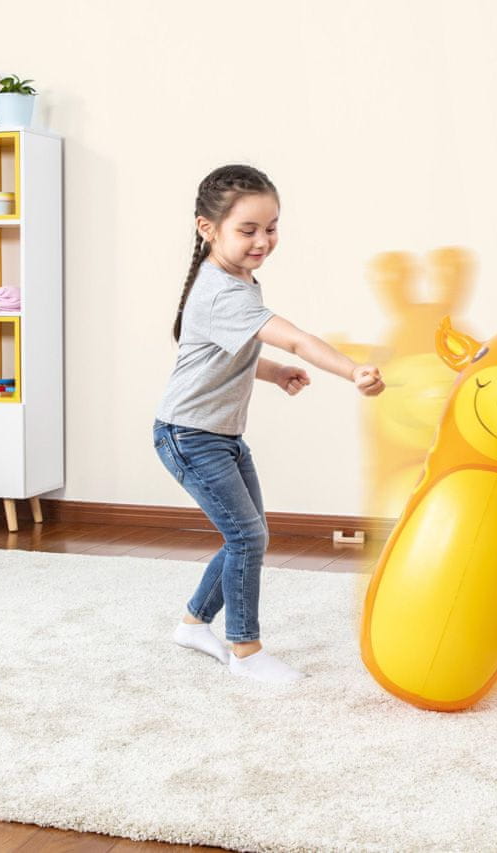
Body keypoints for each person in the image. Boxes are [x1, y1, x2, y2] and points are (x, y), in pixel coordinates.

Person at [153, 164, 385, 684]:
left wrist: (274, 372)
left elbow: (224, 353)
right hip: (189, 435)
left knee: (249, 535)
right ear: (207, 228)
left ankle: (193, 624)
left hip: (216, 435)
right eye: (248, 230)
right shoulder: (222, 291)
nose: (263, 241)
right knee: (247, 537)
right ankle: (245, 650)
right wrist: (353, 370)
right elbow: (298, 338)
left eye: (272, 227)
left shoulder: (234, 278)